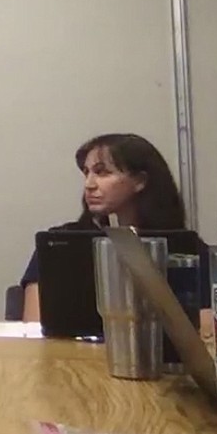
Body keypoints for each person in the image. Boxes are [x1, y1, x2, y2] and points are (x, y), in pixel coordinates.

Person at [20, 133, 187, 322]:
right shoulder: (58, 244)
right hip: (69, 352)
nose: (89, 184)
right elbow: (33, 328)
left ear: (139, 181)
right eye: (86, 173)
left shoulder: (184, 248)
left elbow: (206, 325)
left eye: (102, 172)